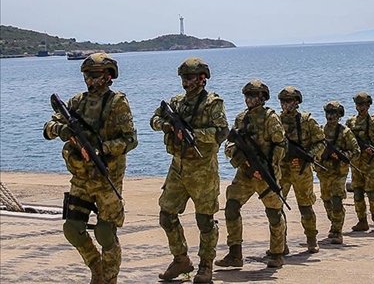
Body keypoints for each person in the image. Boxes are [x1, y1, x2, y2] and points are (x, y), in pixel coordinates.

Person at [43, 53, 138, 284]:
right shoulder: (77, 102)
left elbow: (130, 140)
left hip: (107, 177)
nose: (89, 80)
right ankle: (97, 268)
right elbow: (48, 127)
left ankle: (110, 278)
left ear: (108, 76)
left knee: (105, 233)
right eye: (86, 75)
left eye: (94, 75)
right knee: (72, 228)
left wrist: (101, 149)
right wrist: (62, 131)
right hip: (81, 177)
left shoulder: (117, 103)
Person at [150, 58, 228, 283]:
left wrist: (193, 133)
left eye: (191, 77)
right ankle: (181, 259)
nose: (186, 82)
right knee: (166, 215)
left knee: (205, 220)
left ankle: (206, 265)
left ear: (202, 78)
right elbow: (154, 120)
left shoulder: (212, 103)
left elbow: (221, 132)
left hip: (203, 169)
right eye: (184, 78)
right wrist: (168, 125)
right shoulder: (176, 103)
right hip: (178, 167)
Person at [216, 80, 287, 269]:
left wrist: (268, 168)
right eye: (246, 95)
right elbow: (229, 144)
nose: (248, 99)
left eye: (253, 95)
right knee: (231, 207)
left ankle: (277, 253)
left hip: (265, 174)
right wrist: (239, 156)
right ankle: (235, 253)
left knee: (274, 213)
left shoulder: (270, 118)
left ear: (262, 97)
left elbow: (280, 145)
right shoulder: (242, 118)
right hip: (245, 173)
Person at [276, 86, 326, 254]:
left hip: (301, 170)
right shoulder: (275, 121)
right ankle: (280, 243)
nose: (285, 105)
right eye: (283, 101)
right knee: (277, 206)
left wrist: (307, 156)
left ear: (297, 102)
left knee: (305, 206)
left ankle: (311, 238)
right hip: (282, 170)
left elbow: (321, 142)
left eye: (289, 101)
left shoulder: (306, 120)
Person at [316, 101, 360, 244]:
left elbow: (356, 151)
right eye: (328, 113)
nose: (330, 116)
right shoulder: (320, 131)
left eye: (334, 113)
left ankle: (337, 231)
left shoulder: (345, 132)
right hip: (324, 172)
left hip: (339, 173)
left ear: (339, 115)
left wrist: (342, 155)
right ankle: (334, 222)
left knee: (336, 201)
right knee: (326, 201)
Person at [345, 91, 374, 231]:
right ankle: (362, 220)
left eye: (363, 105)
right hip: (356, 164)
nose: (361, 107)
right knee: (357, 193)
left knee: (372, 192)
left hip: (369, 163)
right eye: (358, 105)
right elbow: (345, 140)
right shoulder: (350, 122)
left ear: (368, 105)